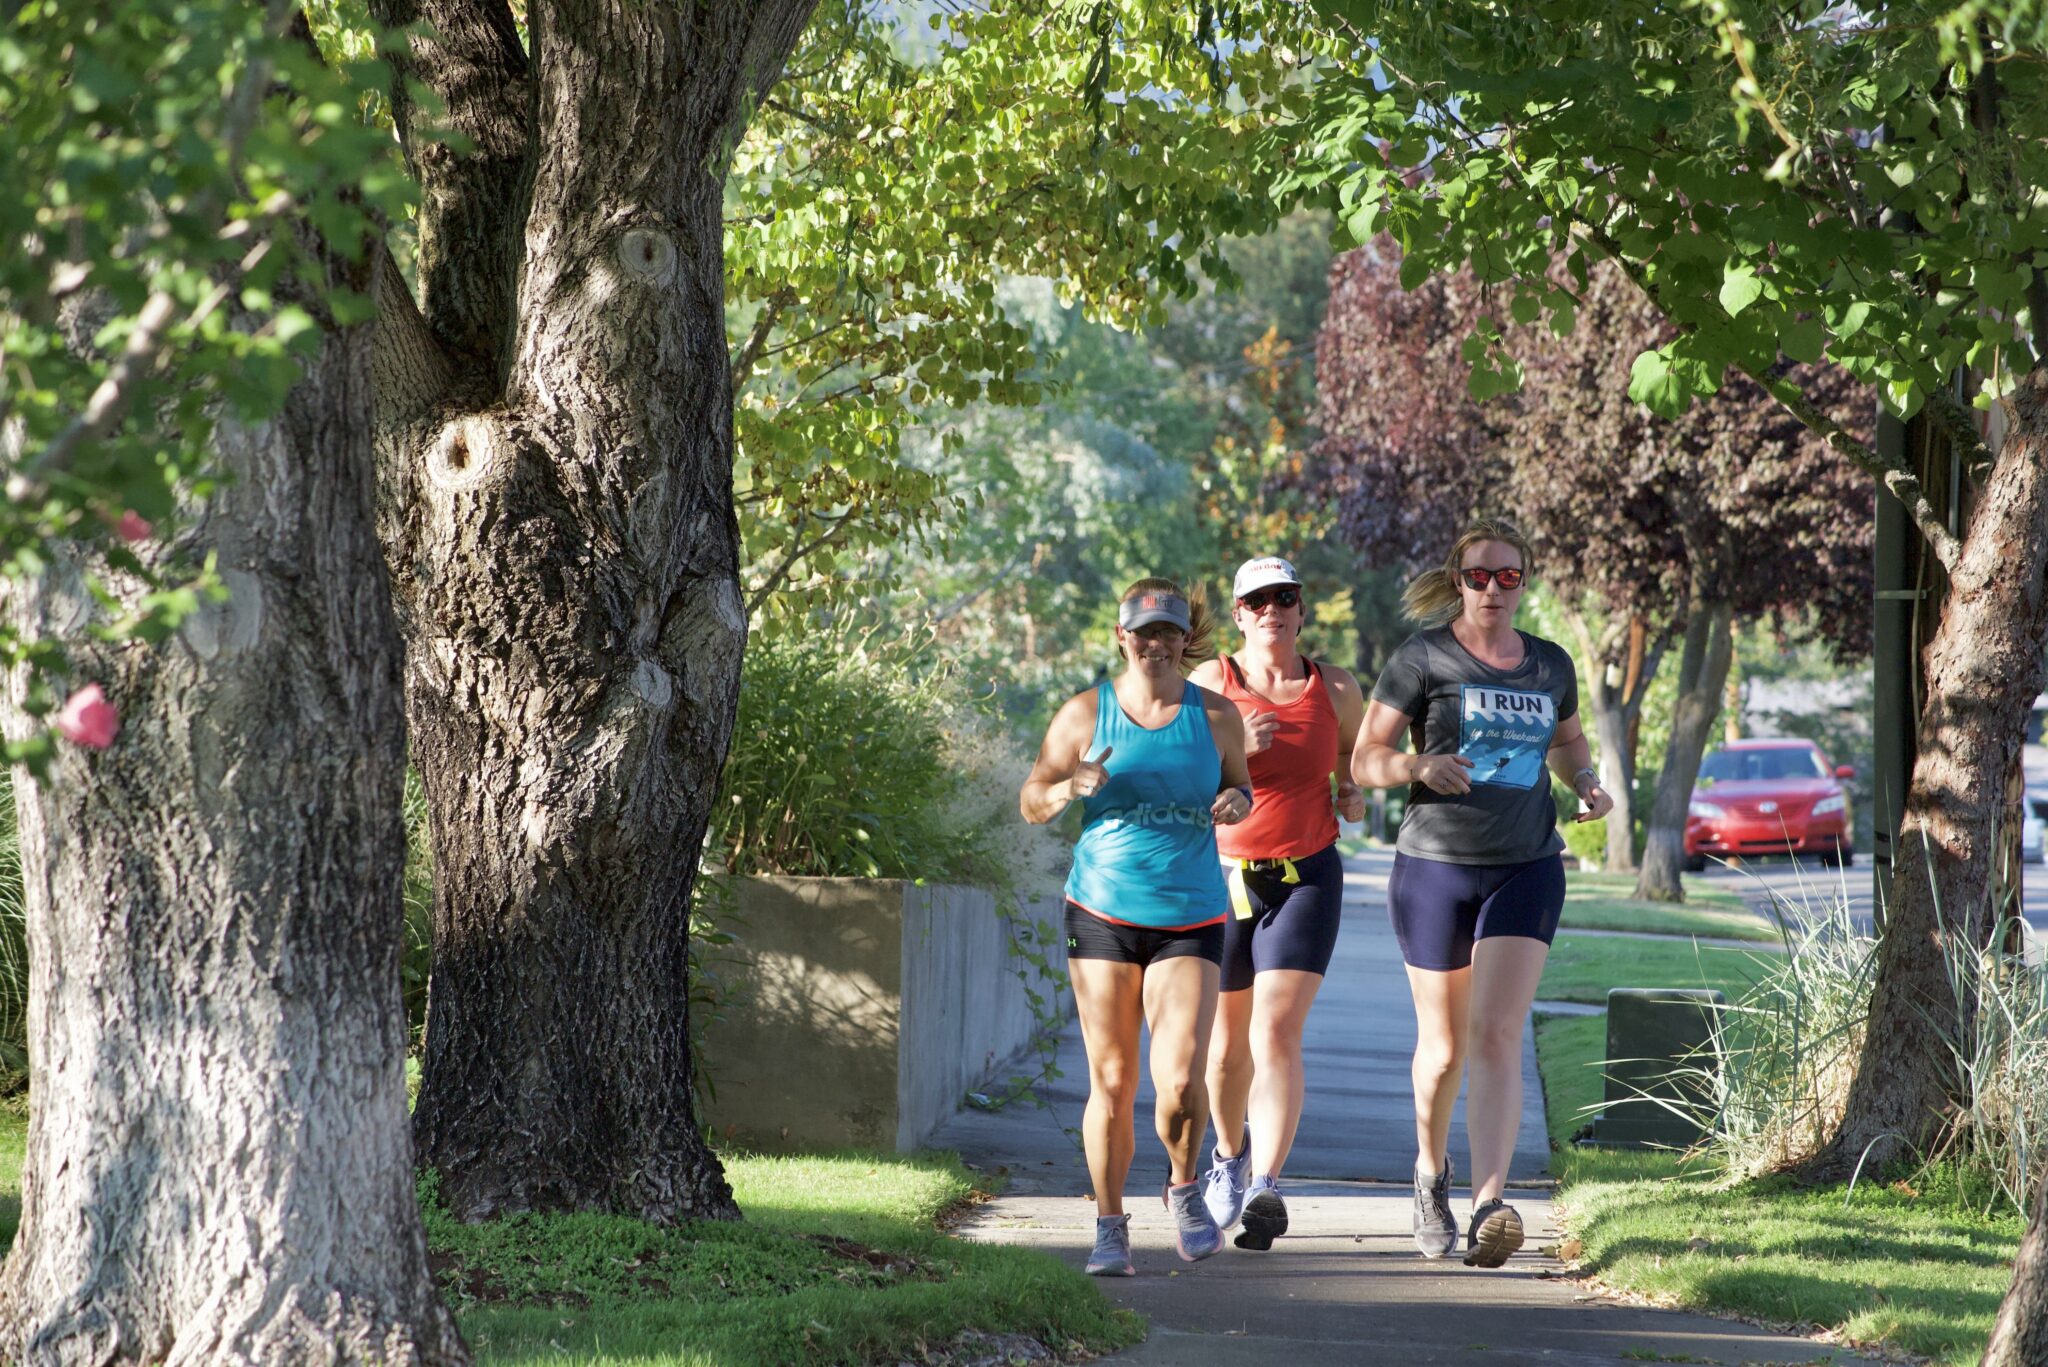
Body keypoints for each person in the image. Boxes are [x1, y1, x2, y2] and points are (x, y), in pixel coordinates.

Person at [1349, 518, 1612, 1268]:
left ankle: (1490, 1205)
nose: (1492, 588)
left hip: (1527, 864)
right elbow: (1367, 759)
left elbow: (1565, 744)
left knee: (1497, 1033)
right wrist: (1417, 768)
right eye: (1478, 576)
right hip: (1436, 865)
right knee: (1442, 1049)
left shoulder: (1550, 663)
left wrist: (1586, 782)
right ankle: (1430, 1173)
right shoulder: (1423, 657)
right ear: (1457, 579)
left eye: (1507, 576)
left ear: (1525, 581)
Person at [1021, 577, 1255, 1277]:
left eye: (1169, 632)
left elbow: (1238, 785)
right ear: (1122, 636)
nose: (1156, 644)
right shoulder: (1084, 713)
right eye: (1143, 632)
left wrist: (1237, 801)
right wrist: (1067, 787)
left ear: (1187, 639)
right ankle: (1109, 1223)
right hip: (1102, 910)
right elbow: (1032, 798)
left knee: (1181, 1077)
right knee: (1114, 1079)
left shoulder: (1215, 716)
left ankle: (1184, 1188)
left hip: (1191, 911)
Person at [1187, 556, 1366, 1251]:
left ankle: (1267, 1182)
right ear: (1238, 614)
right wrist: (1234, 745)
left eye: (1283, 597)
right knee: (1226, 1043)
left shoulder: (1338, 687)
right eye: (1257, 600)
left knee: (1277, 1030)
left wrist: (1351, 792)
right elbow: (1178, 778)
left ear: (1300, 608)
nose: (1271, 610)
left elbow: (1353, 759)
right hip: (1225, 875)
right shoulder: (1211, 685)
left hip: (1307, 874)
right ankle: (1228, 1156)